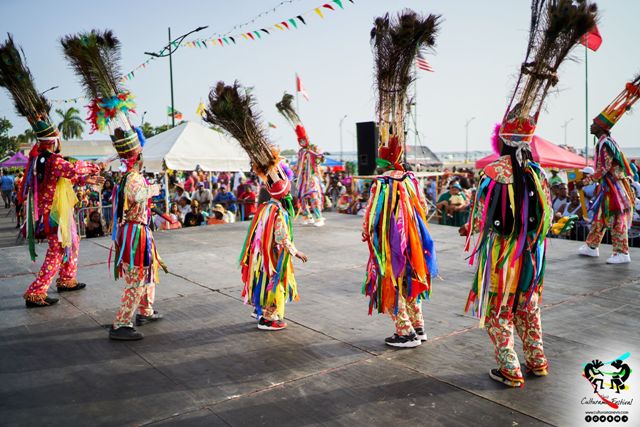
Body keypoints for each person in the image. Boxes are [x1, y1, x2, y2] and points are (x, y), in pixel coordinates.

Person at [461, 0, 596, 388]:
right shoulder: (536, 171)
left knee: (498, 314)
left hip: (503, 256)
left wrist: (474, 228)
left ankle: (510, 368)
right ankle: (537, 362)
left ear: (500, 140)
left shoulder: (493, 171)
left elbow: (482, 211)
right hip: (532, 258)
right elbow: (547, 216)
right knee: (528, 308)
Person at [62, 30, 167, 340]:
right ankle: (122, 323)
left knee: (146, 275)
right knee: (135, 281)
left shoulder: (130, 175)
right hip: (136, 233)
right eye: (140, 157)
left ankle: (145, 310)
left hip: (140, 232)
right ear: (135, 158)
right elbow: (138, 196)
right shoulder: (134, 179)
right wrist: (155, 191)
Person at [0, 36, 106, 307]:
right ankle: (37, 290)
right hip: (54, 215)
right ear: (52, 142)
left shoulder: (41, 158)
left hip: (55, 211)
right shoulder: (54, 160)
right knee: (56, 251)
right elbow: (74, 170)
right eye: (57, 139)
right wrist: (97, 166)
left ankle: (67, 279)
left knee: (71, 245)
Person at [362, 10, 439, 348]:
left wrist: (371, 236)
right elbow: (423, 208)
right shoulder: (408, 179)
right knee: (410, 279)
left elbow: (372, 220)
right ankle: (419, 327)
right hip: (413, 240)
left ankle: (405, 332)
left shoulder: (383, 184)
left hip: (393, 245)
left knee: (392, 279)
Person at [205, 81, 308, 331]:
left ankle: (263, 313)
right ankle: (273, 318)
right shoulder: (278, 212)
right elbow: (281, 236)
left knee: (267, 281)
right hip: (274, 256)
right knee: (278, 284)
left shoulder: (266, 208)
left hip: (264, 257)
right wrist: (296, 252)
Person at [577, 76, 639, 264]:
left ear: (601, 127)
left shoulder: (605, 145)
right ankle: (591, 246)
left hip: (614, 188)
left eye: (594, 123)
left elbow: (603, 169)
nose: (591, 125)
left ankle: (622, 252)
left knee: (616, 218)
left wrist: (584, 182)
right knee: (601, 216)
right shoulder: (605, 143)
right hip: (609, 187)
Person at [276, 94, 326, 226]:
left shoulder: (313, 148)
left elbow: (321, 158)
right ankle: (307, 216)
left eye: (303, 140)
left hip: (312, 177)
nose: (302, 142)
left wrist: (316, 155)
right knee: (303, 199)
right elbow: (297, 166)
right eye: (300, 140)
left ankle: (319, 217)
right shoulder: (300, 152)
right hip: (303, 179)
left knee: (314, 197)